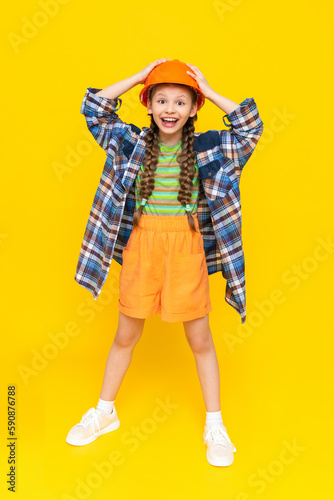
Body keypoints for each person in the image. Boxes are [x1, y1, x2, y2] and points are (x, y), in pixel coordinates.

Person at [66, 59, 264, 467]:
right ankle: (105, 412)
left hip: (187, 248)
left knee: (200, 340)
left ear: (193, 108)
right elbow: (94, 109)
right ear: (149, 105)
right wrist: (139, 77)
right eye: (160, 99)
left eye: (180, 101)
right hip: (142, 246)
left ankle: (215, 425)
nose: (169, 109)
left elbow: (249, 128)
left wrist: (208, 90)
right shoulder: (133, 143)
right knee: (125, 335)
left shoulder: (210, 146)